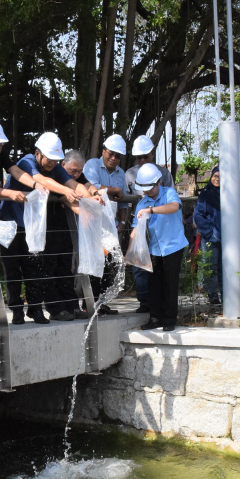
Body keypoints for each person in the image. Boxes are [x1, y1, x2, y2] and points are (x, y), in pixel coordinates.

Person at [0, 132, 93, 323]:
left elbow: (74, 182)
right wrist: (65, 190)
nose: (52, 163)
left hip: (32, 226)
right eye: (49, 159)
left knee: (34, 268)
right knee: (12, 269)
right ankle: (16, 311)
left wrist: (92, 200)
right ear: (38, 153)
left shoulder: (56, 168)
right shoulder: (27, 162)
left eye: (55, 160)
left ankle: (35, 309)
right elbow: (42, 180)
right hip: (10, 222)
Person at [0, 119, 45, 325]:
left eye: (0, 144)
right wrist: (11, 194)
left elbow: (17, 172)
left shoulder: (0, 154)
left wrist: (35, 184)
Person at [134, 164, 188, 332]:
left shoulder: (169, 193)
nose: (148, 191)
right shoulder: (142, 203)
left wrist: (151, 210)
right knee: (154, 284)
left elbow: (174, 207)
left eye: (150, 188)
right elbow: (136, 229)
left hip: (173, 245)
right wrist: (130, 251)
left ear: (158, 182)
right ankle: (155, 317)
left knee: (170, 283)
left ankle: (170, 319)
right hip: (155, 248)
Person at [125, 135, 174, 311]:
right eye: (139, 157)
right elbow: (124, 199)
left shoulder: (164, 173)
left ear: (152, 154)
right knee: (139, 264)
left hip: (160, 225)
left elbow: (171, 200)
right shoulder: (129, 174)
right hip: (139, 223)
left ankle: (160, 303)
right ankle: (144, 302)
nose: (142, 160)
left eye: (145, 156)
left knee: (159, 266)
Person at [81, 136, 129, 315]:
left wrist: (122, 222)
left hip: (111, 227)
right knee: (93, 264)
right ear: (103, 151)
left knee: (109, 265)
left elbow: (123, 203)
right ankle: (88, 304)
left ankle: (101, 303)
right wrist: (112, 190)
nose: (114, 158)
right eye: (111, 154)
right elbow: (89, 186)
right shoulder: (92, 165)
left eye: (118, 156)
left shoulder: (121, 173)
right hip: (92, 224)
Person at [193, 166, 222, 306]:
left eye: (221, 177)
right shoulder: (206, 193)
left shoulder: (229, 193)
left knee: (226, 268)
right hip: (211, 237)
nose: (217, 179)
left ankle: (227, 295)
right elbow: (198, 215)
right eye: (215, 176)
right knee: (211, 266)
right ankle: (213, 296)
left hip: (228, 238)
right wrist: (210, 233)